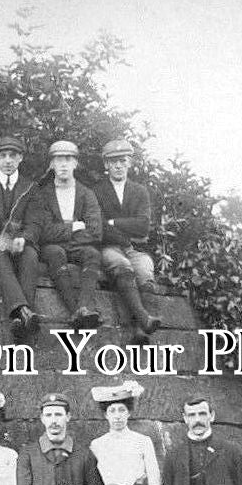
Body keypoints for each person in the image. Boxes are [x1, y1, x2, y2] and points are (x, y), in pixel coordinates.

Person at [92, 139, 160, 343]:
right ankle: (143, 319)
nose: (118, 165)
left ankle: (140, 329)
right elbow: (99, 226)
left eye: (122, 160)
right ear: (106, 165)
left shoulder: (139, 191)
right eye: (113, 162)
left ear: (129, 162)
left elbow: (143, 226)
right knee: (121, 265)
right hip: (109, 247)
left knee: (145, 268)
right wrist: (122, 229)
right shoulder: (96, 191)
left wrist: (114, 221)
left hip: (134, 249)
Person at [0, 136, 44, 341]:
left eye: (13, 156)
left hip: (20, 242)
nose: (8, 160)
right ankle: (25, 311)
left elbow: (35, 222)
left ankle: (20, 317)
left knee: (31, 256)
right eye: (3, 156)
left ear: (20, 158)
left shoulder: (31, 187)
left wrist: (24, 239)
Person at [38, 140, 103, 330]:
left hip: (77, 246)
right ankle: (75, 309)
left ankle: (83, 307)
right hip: (52, 247)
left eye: (68, 159)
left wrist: (63, 232)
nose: (64, 165)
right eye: (58, 160)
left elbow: (95, 231)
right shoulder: (43, 193)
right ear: (52, 164)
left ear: (76, 163)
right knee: (55, 252)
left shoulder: (86, 193)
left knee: (92, 254)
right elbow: (44, 231)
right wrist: (74, 226)